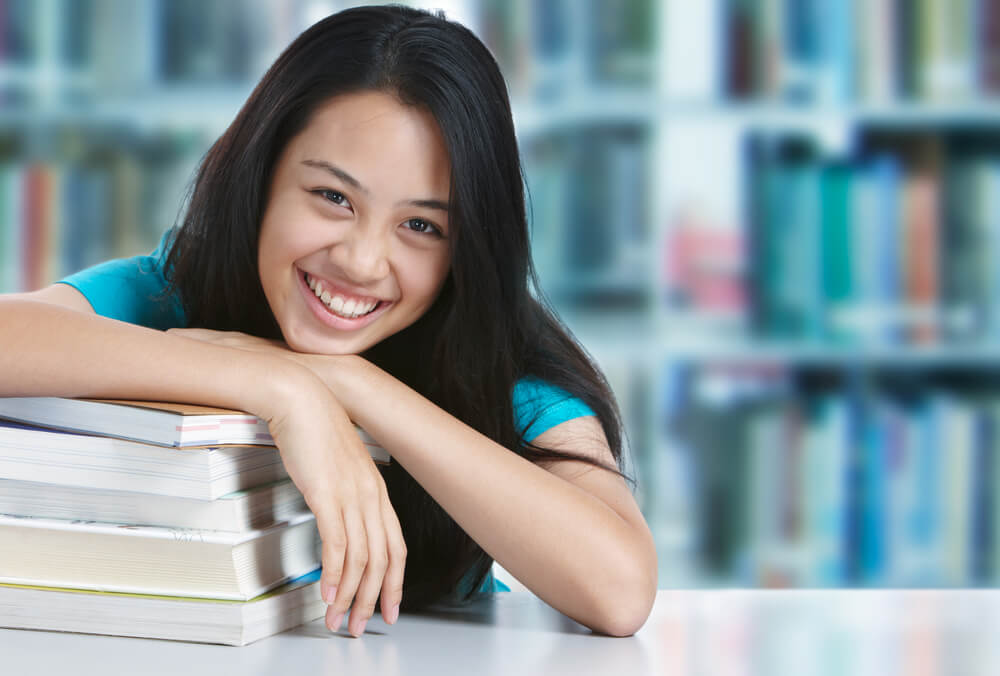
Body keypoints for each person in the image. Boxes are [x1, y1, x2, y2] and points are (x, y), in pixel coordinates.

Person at [0, 5, 657, 637]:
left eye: (422, 226)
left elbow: (620, 592)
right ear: (262, 178)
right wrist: (278, 387)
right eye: (332, 197)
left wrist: (350, 386)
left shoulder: (494, 354)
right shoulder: (178, 290)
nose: (363, 261)